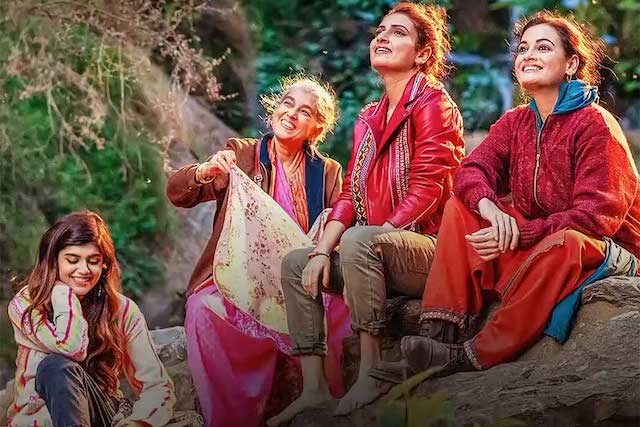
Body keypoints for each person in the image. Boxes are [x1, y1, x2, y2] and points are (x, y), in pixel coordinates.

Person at [370, 10, 640, 383]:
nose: (528, 55)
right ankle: (438, 336)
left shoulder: (595, 123)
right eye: (523, 48)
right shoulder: (515, 122)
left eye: (543, 48)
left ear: (571, 64)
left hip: (607, 248)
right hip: (541, 242)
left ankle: (474, 353)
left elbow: (597, 217)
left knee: (569, 243)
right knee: (460, 207)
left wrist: (520, 232)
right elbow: (470, 171)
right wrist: (490, 209)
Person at [267, 3, 465, 424]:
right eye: (380, 31)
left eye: (398, 32)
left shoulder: (434, 104)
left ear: (423, 54)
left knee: (359, 239)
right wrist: (322, 250)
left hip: (432, 252)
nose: (382, 37)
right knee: (297, 263)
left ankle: (372, 373)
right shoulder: (369, 117)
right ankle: (315, 389)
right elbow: (350, 196)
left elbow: (429, 187)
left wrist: (376, 236)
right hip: (376, 251)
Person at [166, 75, 350, 427]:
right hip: (243, 277)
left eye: (305, 111)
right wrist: (205, 171)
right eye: (287, 104)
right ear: (274, 109)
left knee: (341, 306)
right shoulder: (243, 154)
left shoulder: (327, 172)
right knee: (202, 310)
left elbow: (337, 226)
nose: (291, 113)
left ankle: (324, 405)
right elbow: (177, 192)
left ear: (317, 128)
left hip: (299, 282)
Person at [7, 210, 175, 427]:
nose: (84, 270)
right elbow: (70, 347)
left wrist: (138, 423)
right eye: (72, 260)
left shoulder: (122, 310)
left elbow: (157, 387)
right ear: (54, 261)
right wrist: (63, 296)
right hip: (36, 420)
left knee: (56, 366)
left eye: (93, 261)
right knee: (55, 367)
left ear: (104, 265)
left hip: (100, 415)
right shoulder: (27, 304)